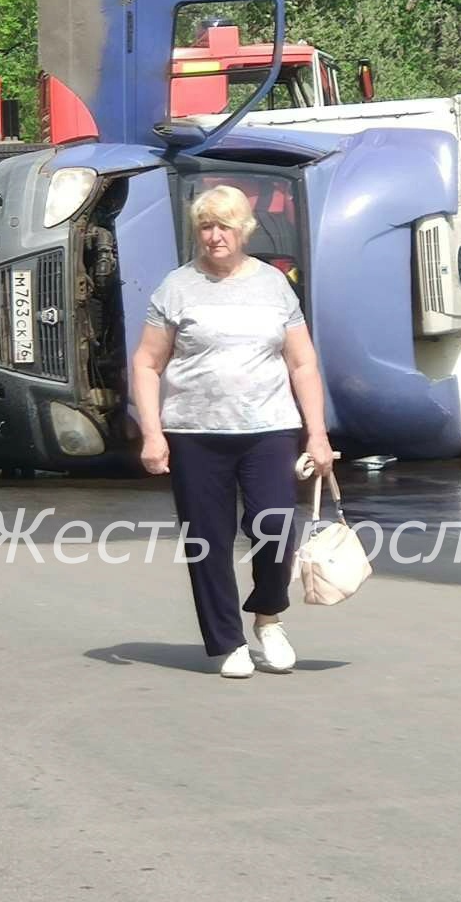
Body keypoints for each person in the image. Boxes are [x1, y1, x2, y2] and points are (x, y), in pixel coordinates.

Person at [130, 184, 334, 679]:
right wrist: (153, 434)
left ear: (244, 230)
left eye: (224, 226)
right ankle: (228, 641)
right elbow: (147, 362)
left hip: (269, 429)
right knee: (207, 540)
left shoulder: (273, 285)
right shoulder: (176, 287)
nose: (214, 236)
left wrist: (318, 434)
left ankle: (268, 616)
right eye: (205, 226)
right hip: (195, 432)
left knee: (275, 526)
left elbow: (302, 362)